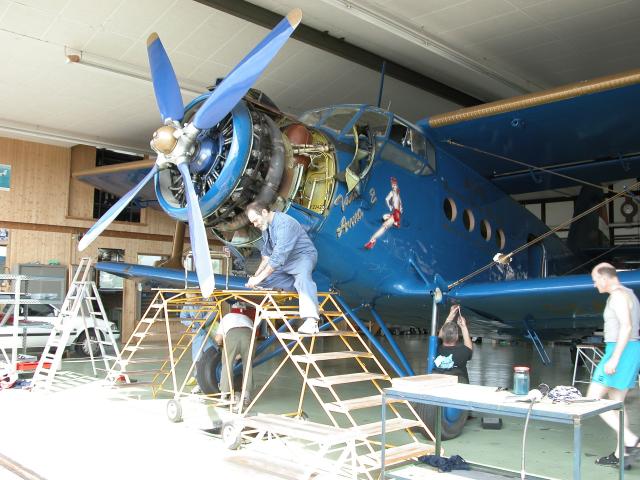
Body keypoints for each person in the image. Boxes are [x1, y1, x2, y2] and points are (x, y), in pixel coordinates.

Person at [589, 262, 640, 469]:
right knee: (617, 403)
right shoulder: (629, 293)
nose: (594, 285)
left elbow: (626, 327)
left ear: (604, 278)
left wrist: (614, 359)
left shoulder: (618, 296)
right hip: (628, 349)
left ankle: (631, 441)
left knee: (592, 400)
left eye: (595, 280)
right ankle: (622, 454)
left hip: (621, 351)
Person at [245, 201, 320, 334]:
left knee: (303, 279)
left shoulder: (285, 224)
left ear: (264, 212)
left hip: (302, 257)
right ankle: (297, 288)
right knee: (262, 281)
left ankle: (311, 321)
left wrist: (258, 278)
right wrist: (256, 276)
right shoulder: (266, 227)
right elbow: (266, 256)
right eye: (253, 222)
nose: (255, 225)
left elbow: (277, 258)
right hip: (285, 263)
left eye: (255, 220)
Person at [214, 301, 254, 408]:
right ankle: (246, 396)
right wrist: (239, 354)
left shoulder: (227, 317)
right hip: (248, 335)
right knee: (248, 365)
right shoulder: (248, 319)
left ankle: (224, 397)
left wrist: (222, 346)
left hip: (232, 335)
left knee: (227, 364)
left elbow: (218, 338)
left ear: (232, 309)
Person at [180, 292, 216, 393]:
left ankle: (215, 380)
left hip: (209, 332)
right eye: (189, 298)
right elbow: (183, 317)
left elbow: (214, 312)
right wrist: (192, 324)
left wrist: (203, 321)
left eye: (193, 297)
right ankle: (199, 384)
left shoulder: (207, 301)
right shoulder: (188, 304)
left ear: (197, 295)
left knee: (212, 356)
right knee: (197, 359)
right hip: (197, 334)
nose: (191, 300)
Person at [432, 305, 473, 383]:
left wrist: (450, 317)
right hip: (458, 384)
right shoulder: (463, 352)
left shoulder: (435, 349)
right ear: (457, 337)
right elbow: (469, 348)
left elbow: (440, 336)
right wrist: (463, 327)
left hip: (439, 383)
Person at [364, 177, 403, 249]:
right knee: (384, 218)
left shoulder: (396, 194)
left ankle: (372, 240)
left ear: (396, 185)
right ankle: (372, 240)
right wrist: (390, 207)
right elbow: (387, 199)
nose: (393, 186)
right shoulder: (393, 193)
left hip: (396, 214)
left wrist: (397, 211)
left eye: (394, 185)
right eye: (393, 185)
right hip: (395, 214)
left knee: (384, 226)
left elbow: (398, 205)